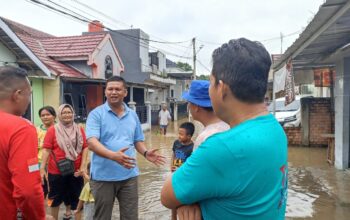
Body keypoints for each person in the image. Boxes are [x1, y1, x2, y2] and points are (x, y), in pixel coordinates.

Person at [161, 38, 288, 220]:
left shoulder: (222, 147)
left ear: (222, 88)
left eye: (211, 82)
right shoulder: (275, 129)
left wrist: (191, 201)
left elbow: (166, 196)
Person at [86, 76, 166, 220]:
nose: (113, 92)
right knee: (102, 217)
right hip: (103, 177)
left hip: (129, 176)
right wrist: (113, 156)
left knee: (130, 217)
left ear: (125, 92)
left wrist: (145, 152)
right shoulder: (96, 114)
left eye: (117, 89)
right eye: (110, 89)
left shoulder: (132, 115)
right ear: (105, 92)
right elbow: (92, 142)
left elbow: (137, 140)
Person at [0, 66, 46, 219]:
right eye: (29, 94)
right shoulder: (20, 128)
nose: (28, 100)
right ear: (17, 95)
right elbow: (28, 190)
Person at [40, 104, 88, 220]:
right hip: (56, 171)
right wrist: (42, 168)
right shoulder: (53, 130)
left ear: (73, 114)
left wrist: (83, 166)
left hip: (76, 171)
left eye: (69, 112)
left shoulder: (79, 129)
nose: (67, 115)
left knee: (77, 198)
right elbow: (46, 149)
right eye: (64, 112)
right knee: (55, 199)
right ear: (60, 115)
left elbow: (85, 147)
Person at [182, 80, 229, 150]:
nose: (188, 106)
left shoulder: (204, 139)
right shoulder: (228, 126)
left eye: (189, 103)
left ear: (196, 107)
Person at [170, 122, 195, 220]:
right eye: (178, 133)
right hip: (174, 174)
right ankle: (173, 217)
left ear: (189, 136)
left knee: (181, 199)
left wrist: (180, 169)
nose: (179, 136)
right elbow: (173, 154)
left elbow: (191, 164)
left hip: (184, 176)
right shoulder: (176, 143)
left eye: (181, 134)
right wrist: (171, 165)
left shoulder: (193, 147)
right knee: (172, 197)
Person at [37, 106, 56, 198]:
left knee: (54, 186)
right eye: (42, 115)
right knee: (42, 186)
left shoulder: (59, 129)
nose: (45, 117)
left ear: (54, 116)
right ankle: (43, 207)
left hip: (55, 163)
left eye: (48, 114)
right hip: (39, 162)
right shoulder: (36, 130)